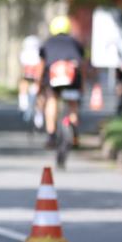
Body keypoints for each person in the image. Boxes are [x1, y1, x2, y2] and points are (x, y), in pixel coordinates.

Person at [38, 16, 86, 149]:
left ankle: (51, 136)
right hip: (73, 77)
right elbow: (81, 65)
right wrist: (82, 85)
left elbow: (42, 66)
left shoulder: (47, 43)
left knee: (52, 101)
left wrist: (39, 84)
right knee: (73, 104)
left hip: (54, 78)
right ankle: (74, 134)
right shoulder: (75, 42)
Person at [18, 35, 42, 124]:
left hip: (31, 78)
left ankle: (23, 102)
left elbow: (23, 68)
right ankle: (38, 114)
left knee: (24, 83)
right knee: (39, 93)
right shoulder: (36, 54)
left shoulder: (24, 54)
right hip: (33, 78)